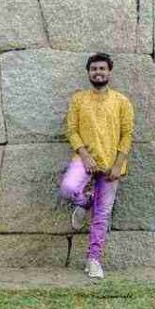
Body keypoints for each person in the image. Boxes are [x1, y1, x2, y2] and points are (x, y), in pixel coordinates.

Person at [58, 53, 134, 279]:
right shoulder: (79, 100)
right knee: (68, 189)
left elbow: (127, 134)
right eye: (94, 69)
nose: (98, 72)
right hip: (85, 160)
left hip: (112, 164)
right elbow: (71, 130)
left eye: (102, 68)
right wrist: (84, 156)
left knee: (102, 215)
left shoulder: (122, 101)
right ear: (88, 73)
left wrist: (119, 164)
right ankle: (85, 201)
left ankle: (93, 260)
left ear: (109, 72)